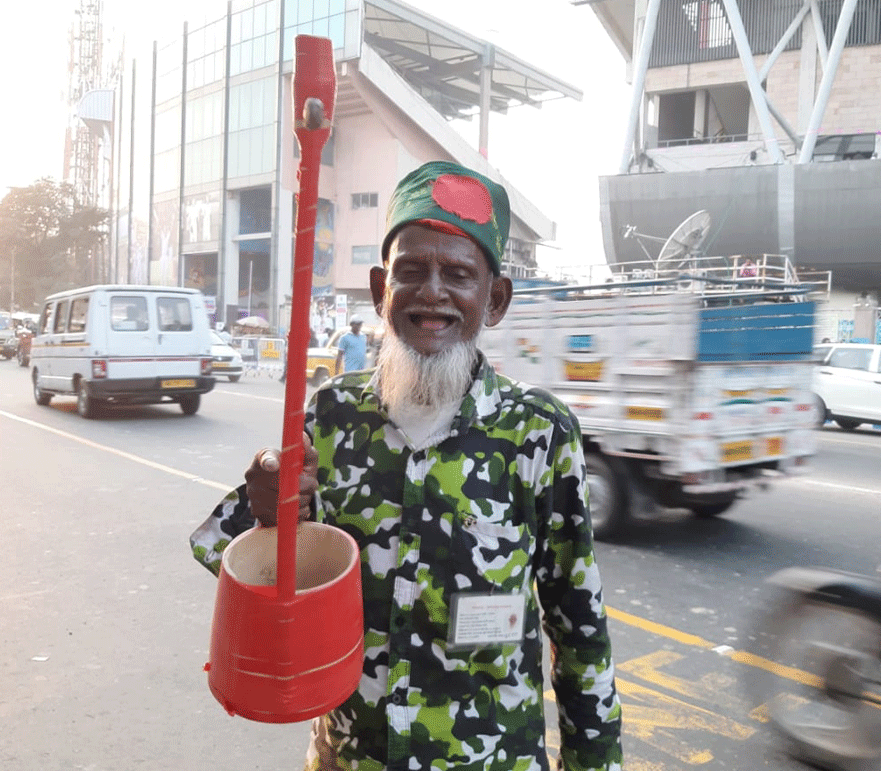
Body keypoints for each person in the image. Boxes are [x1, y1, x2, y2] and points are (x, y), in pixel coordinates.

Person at [191, 160, 623, 771]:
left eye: (459, 275)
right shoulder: (332, 412)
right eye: (411, 271)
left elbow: (579, 626)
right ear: (379, 291)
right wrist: (269, 509)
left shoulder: (538, 433)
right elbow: (251, 570)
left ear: (494, 300)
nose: (433, 293)